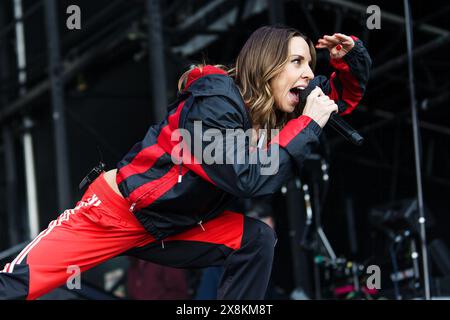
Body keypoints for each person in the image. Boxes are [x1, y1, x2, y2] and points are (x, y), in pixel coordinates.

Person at [0, 25, 371, 300]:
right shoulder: (213, 105)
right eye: (296, 62)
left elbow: (334, 99)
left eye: (310, 62)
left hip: (177, 225)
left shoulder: (275, 112)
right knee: (17, 285)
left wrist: (350, 62)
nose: (308, 72)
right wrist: (307, 123)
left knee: (257, 240)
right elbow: (247, 178)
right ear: (267, 65)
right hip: (116, 214)